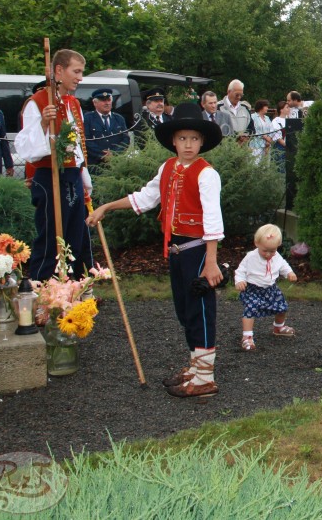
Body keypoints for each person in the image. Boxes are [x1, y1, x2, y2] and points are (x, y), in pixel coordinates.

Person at [86, 102, 224, 398]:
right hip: (176, 251)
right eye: (183, 138)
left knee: (200, 312)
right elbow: (145, 198)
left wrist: (211, 262)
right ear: (174, 141)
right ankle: (195, 366)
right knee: (184, 311)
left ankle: (205, 378)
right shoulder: (168, 168)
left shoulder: (206, 174)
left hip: (197, 250)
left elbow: (213, 219)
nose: (188, 144)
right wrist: (107, 207)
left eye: (194, 139)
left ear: (202, 142)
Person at [15, 50, 94, 281]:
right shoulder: (38, 102)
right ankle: (43, 288)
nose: (80, 77)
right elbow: (26, 148)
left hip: (72, 175)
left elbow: (78, 144)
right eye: (76, 71)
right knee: (51, 236)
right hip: (49, 176)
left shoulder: (73, 103)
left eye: (82, 72)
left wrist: (84, 174)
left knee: (76, 234)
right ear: (59, 71)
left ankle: (74, 288)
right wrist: (43, 122)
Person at [235, 223, 299, 351]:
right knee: (250, 309)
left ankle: (278, 327)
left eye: (272, 251)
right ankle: (247, 337)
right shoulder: (251, 257)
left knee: (282, 307)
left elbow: (283, 265)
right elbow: (240, 270)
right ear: (256, 243)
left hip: (271, 289)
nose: (269, 254)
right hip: (253, 289)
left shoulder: (277, 256)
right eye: (265, 251)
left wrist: (289, 273)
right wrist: (239, 281)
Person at [82, 88, 129, 164]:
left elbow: (126, 139)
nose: (107, 103)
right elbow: (86, 140)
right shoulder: (88, 118)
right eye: (103, 100)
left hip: (116, 162)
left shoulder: (119, 118)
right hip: (95, 163)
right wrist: (102, 155)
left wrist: (114, 153)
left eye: (108, 100)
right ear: (95, 103)